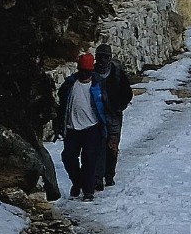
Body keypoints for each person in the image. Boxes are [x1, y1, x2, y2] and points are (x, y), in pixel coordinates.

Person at [55, 53, 107, 201]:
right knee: (68, 157)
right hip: (72, 128)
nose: (84, 74)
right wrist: (59, 124)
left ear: (92, 71)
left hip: (92, 127)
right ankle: (77, 182)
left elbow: (107, 105)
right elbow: (61, 106)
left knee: (89, 159)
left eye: (87, 71)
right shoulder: (69, 84)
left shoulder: (99, 85)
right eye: (82, 70)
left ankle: (88, 191)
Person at [93, 42, 134, 186]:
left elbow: (127, 93)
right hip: (96, 117)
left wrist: (119, 107)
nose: (102, 60)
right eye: (100, 57)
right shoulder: (91, 74)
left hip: (114, 116)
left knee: (112, 147)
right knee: (99, 146)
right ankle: (98, 178)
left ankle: (109, 175)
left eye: (105, 57)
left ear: (110, 58)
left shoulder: (117, 73)